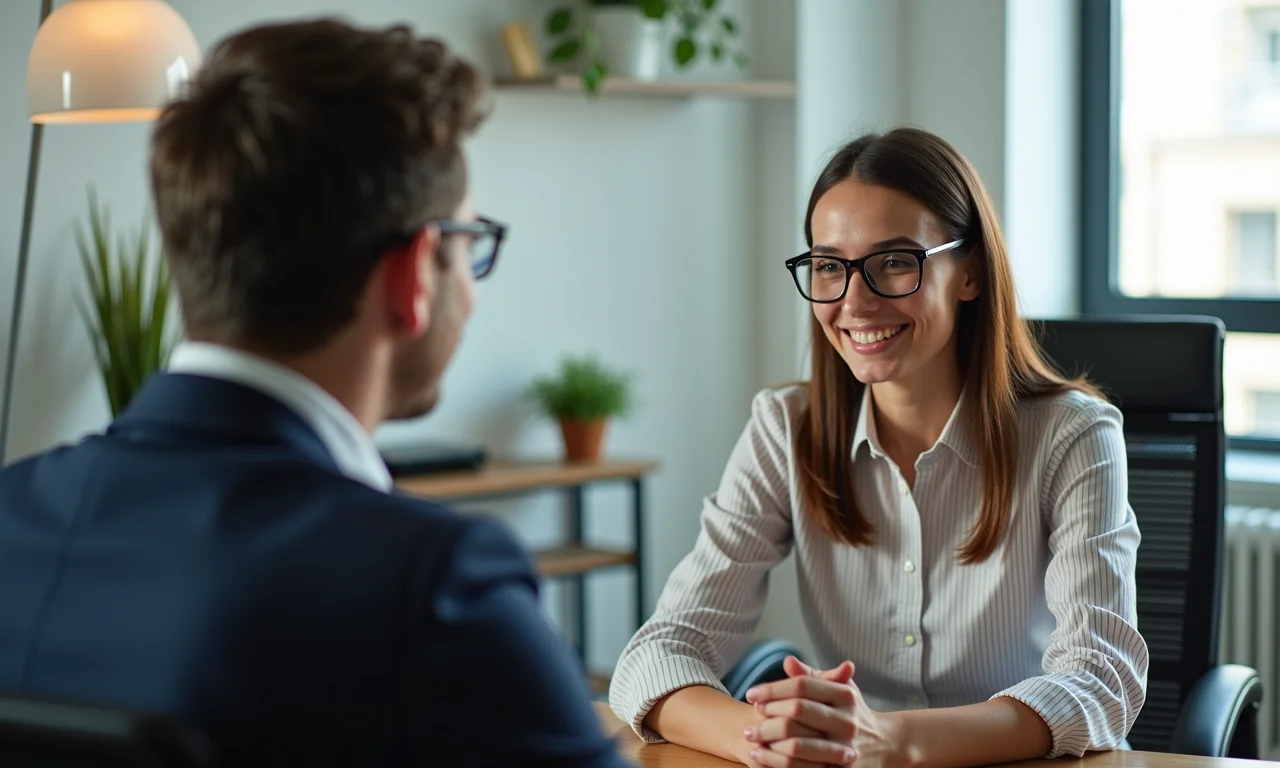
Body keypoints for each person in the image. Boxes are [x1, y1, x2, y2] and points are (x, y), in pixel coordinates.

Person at [0, 18, 626, 768]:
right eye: (469, 246)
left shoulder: (13, 513)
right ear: (414, 273)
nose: (474, 292)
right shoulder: (432, 588)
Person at [609, 127, 1149, 767]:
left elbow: (1099, 682)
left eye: (895, 261)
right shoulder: (787, 428)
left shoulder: (1074, 435)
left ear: (970, 271)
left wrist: (889, 742)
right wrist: (772, 743)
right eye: (830, 266)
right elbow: (656, 654)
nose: (854, 302)